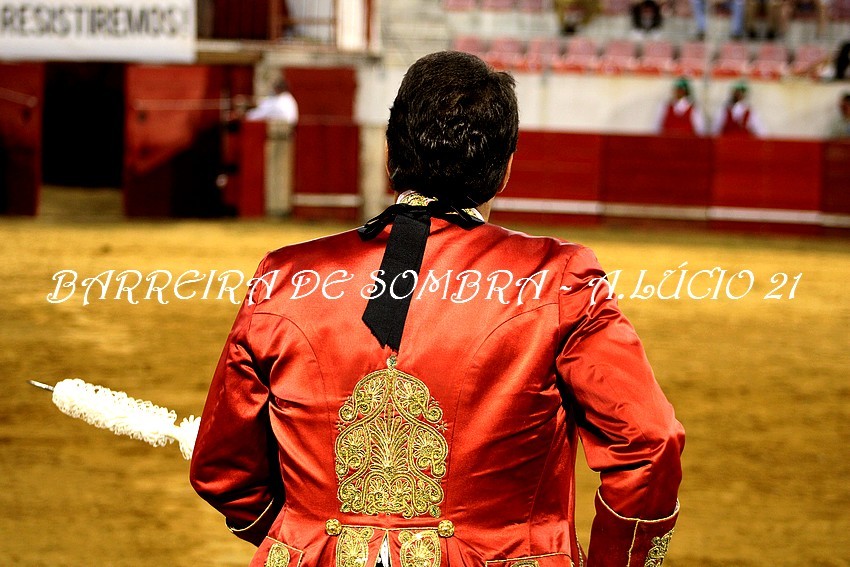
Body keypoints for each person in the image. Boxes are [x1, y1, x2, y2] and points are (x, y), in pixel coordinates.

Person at [190, 51, 685, 567]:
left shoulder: (284, 278)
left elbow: (223, 471)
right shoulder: (559, 281)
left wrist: (308, 539)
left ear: (389, 153)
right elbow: (649, 445)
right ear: (506, 168)